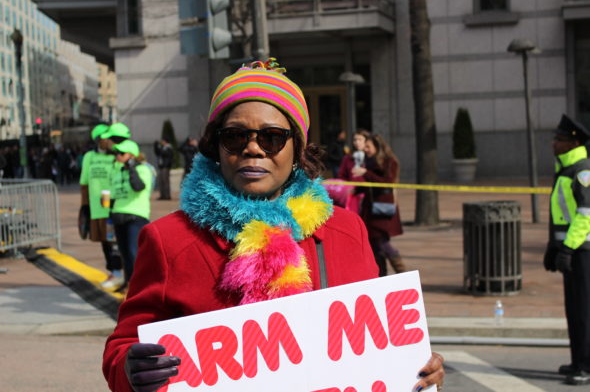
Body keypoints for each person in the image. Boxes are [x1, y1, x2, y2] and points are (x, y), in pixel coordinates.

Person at [102, 59, 444, 392]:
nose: (253, 148)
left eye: (272, 137)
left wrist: (421, 371)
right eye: (235, 136)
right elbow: (123, 345)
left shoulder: (347, 231)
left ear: (297, 148)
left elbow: (380, 339)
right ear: (216, 146)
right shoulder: (168, 239)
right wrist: (130, 370)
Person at [543, 114, 590, 385]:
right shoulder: (565, 170)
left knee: (585, 309)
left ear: (573, 143)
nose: (554, 143)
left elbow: (585, 216)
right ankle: (577, 360)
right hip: (571, 249)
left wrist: (568, 249)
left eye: (559, 139)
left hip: (583, 251)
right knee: (574, 309)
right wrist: (553, 247)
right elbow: (561, 215)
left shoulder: (582, 171)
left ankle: (586, 365)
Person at [352, 134, 405, 276]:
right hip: (371, 211)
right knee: (376, 247)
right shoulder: (369, 162)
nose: (366, 150)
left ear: (378, 146)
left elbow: (386, 183)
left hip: (383, 210)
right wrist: (355, 190)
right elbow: (371, 186)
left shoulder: (389, 162)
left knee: (382, 244)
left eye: (368, 147)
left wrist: (366, 173)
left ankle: (402, 272)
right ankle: (382, 277)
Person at [79, 124, 124, 290]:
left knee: (118, 242)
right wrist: (85, 206)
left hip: (115, 205)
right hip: (97, 207)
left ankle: (120, 273)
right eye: (104, 137)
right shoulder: (89, 156)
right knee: (105, 241)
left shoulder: (117, 155)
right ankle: (114, 272)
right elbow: (84, 183)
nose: (107, 141)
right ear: (98, 140)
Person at [110, 140, 153, 292]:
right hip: (118, 215)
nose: (118, 156)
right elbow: (113, 195)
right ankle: (128, 284)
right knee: (124, 253)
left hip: (136, 216)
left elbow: (138, 187)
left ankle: (139, 289)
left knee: (134, 253)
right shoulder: (117, 171)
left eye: (121, 153)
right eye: (116, 153)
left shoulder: (142, 169)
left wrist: (132, 167)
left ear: (132, 156)